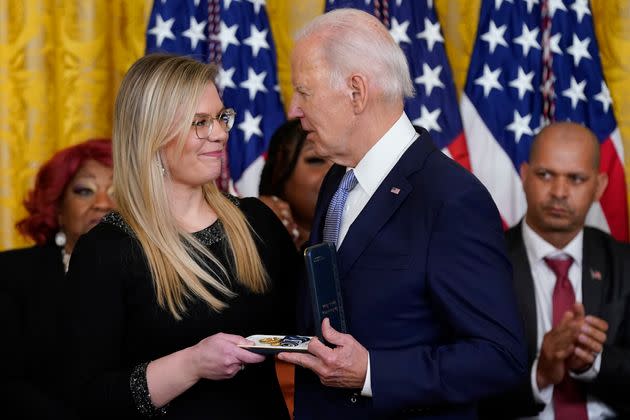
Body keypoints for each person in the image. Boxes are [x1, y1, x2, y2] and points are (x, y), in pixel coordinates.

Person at [277, 8, 527, 419]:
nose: (293, 109)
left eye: (304, 91)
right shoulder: (337, 177)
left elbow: (500, 356)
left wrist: (372, 372)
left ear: (356, 91)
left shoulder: (452, 199)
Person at [62, 53, 298, 419]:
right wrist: (191, 364)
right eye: (199, 123)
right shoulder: (107, 251)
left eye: (221, 117)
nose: (220, 134)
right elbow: (89, 398)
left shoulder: (257, 221)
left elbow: (305, 332)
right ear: (152, 137)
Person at [478, 122, 630, 419]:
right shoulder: (484, 264)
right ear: (524, 176)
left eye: (576, 179)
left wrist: (592, 360)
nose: (559, 192)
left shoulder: (624, 263)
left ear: (599, 186)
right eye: (545, 175)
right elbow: (463, 381)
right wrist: (541, 373)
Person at [0, 138, 115, 419]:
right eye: (84, 191)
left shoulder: (158, 276)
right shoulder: (11, 273)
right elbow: (6, 381)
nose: (103, 203)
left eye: (118, 192)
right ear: (58, 207)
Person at [258, 118, 333, 414]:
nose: (332, 172)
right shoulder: (252, 240)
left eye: (339, 161)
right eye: (315, 160)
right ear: (279, 175)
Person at [259, 118, 333, 249]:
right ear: (279, 171)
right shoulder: (254, 242)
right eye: (316, 160)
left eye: (341, 161)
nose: (335, 171)